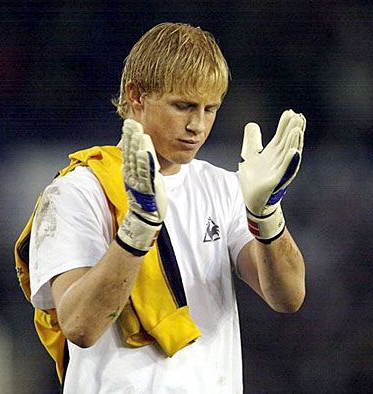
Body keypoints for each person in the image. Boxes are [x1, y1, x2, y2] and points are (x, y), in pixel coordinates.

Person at [28, 22, 306, 393]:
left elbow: (288, 297)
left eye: (210, 109)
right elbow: (79, 325)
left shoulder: (223, 187)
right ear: (136, 96)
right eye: (183, 106)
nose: (198, 125)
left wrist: (267, 216)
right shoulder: (78, 191)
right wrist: (137, 229)